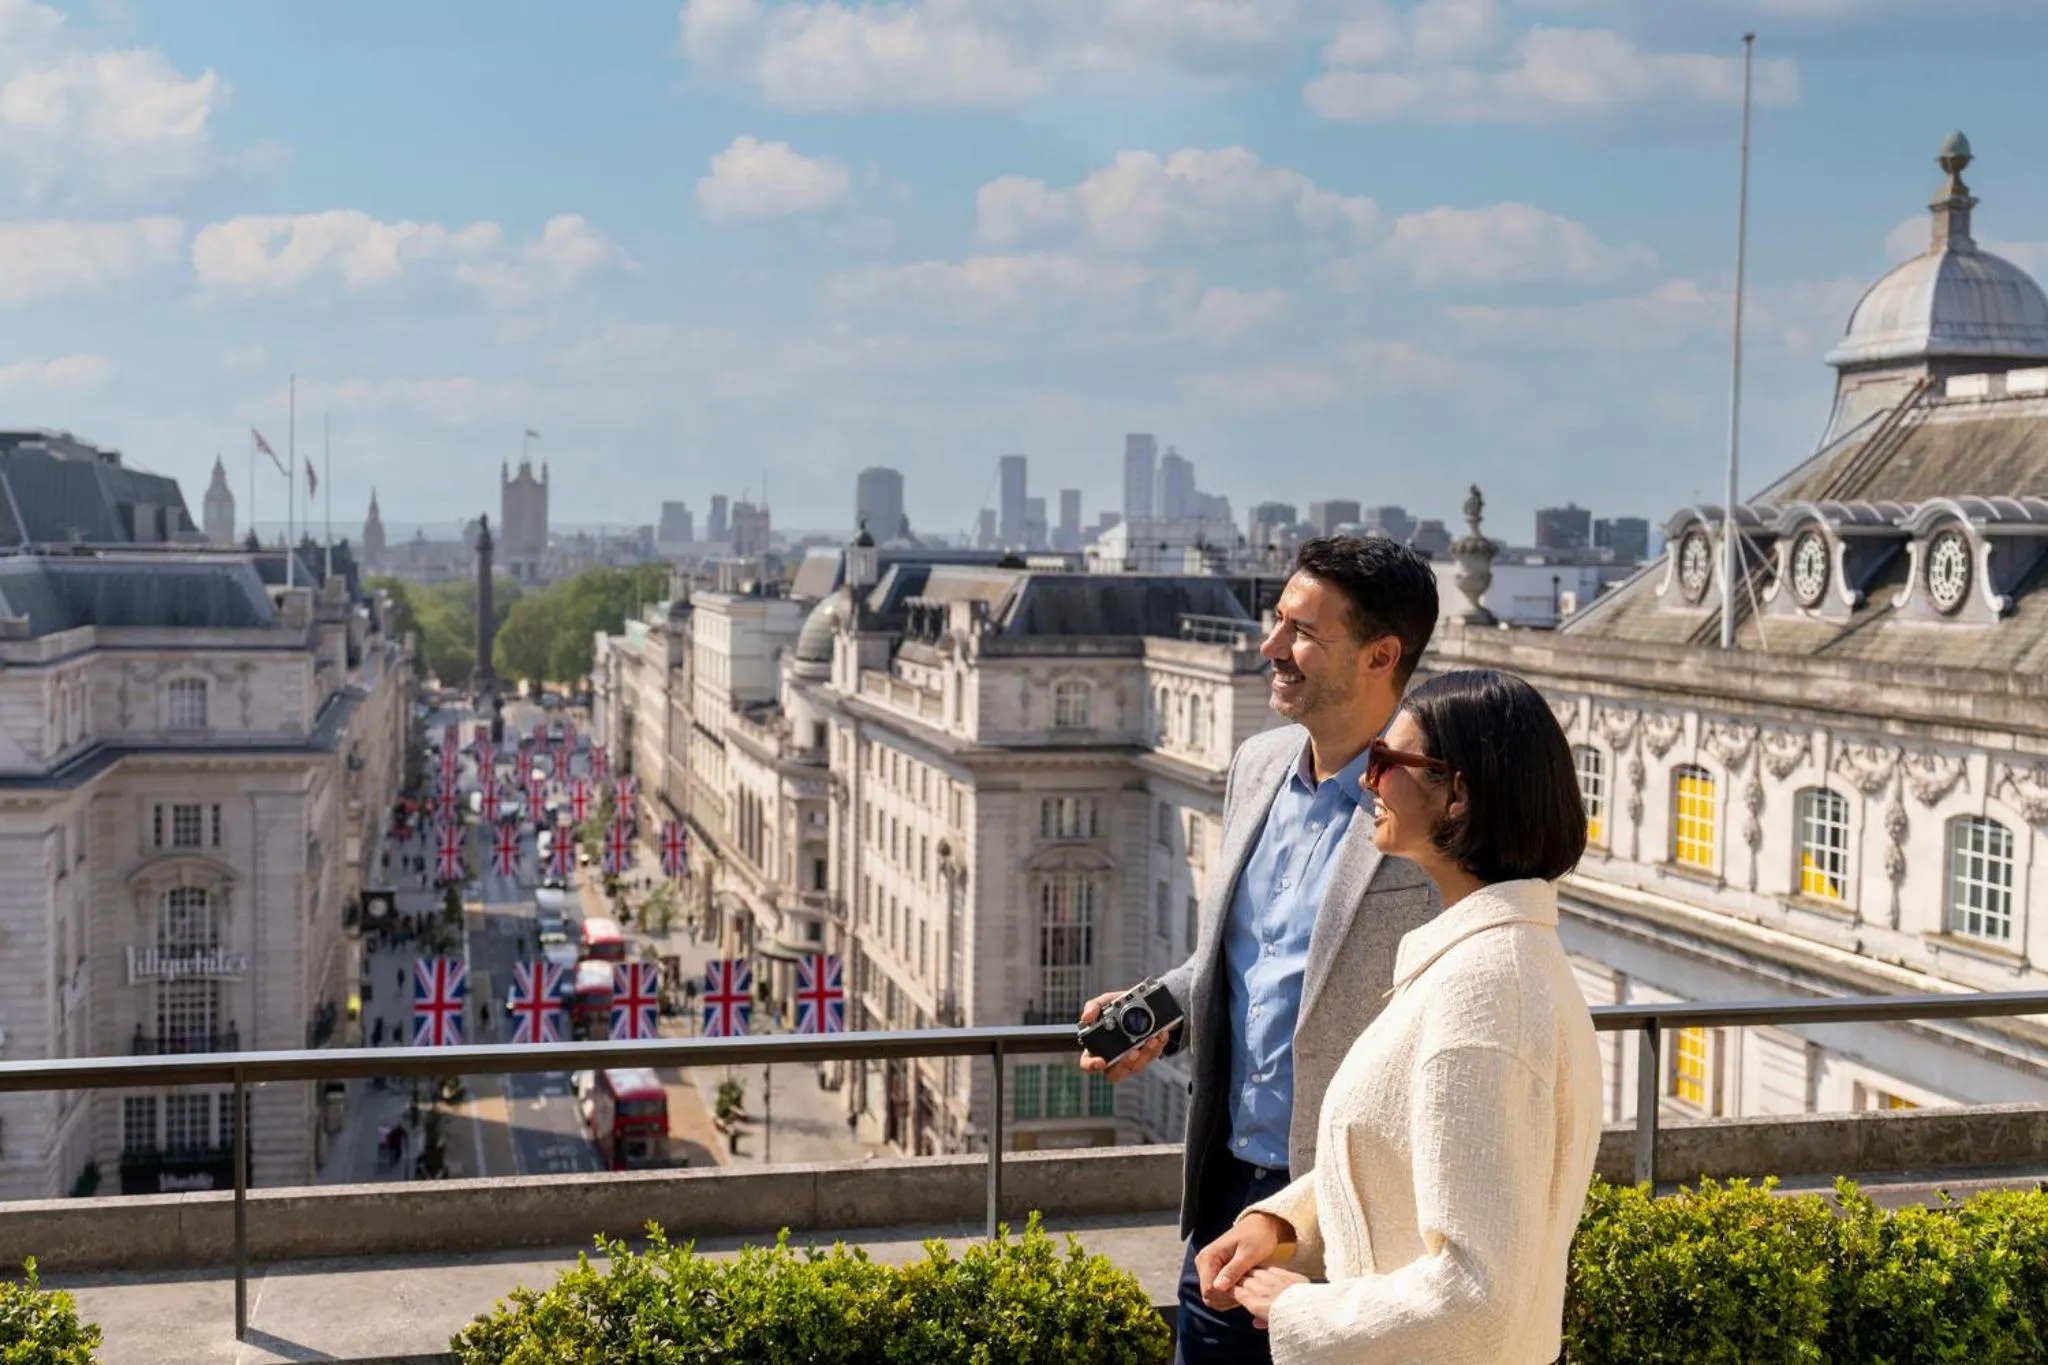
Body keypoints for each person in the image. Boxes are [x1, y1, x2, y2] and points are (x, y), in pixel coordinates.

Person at [1078, 535, 1444, 1365]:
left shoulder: (1433, 798)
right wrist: (1166, 1009)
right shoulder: (1258, 763)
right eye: (1277, 620)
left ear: (1382, 654)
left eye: (1301, 632)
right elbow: (1253, 959)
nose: (1270, 647)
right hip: (1228, 1193)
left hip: (1351, 1211)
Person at [1196, 669, 1603, 1363]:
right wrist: (1282, 1223)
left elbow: (1477, 1292)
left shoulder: (1483, 994)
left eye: (1387, 761)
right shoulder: (1484, 964)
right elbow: (1402, 1159)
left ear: (1458, 794)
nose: (1367, 780)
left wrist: (1298, 1305)